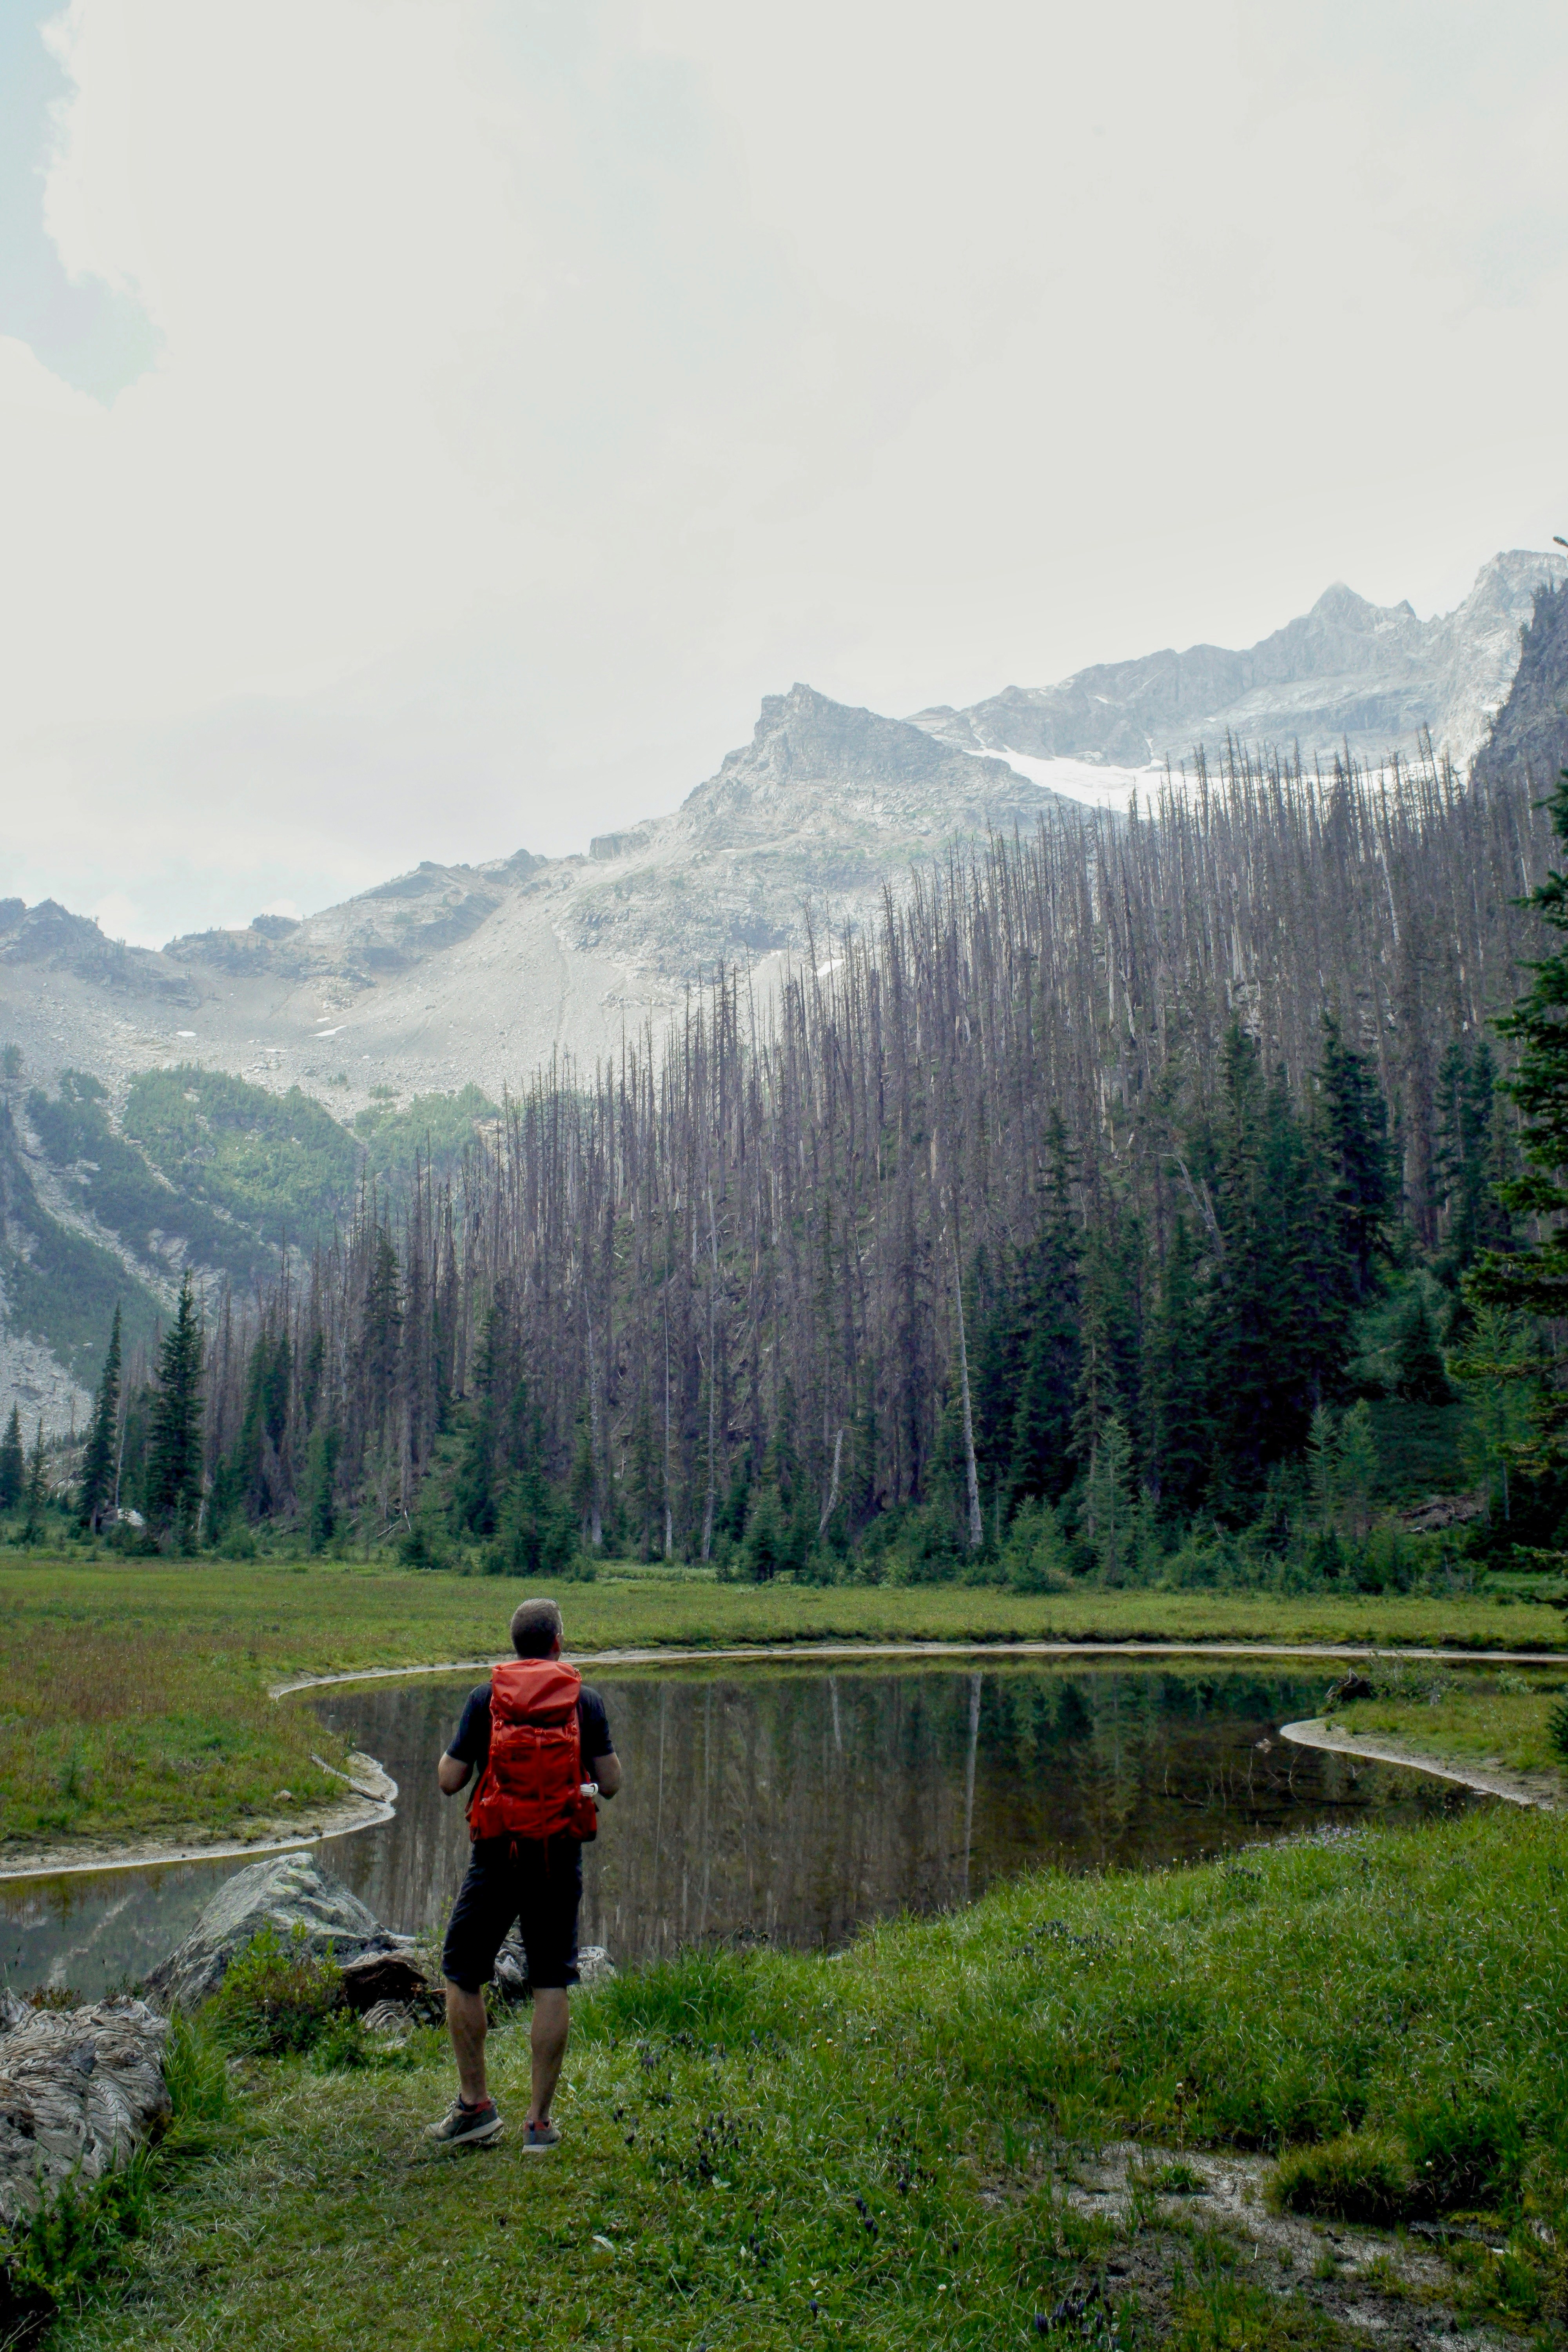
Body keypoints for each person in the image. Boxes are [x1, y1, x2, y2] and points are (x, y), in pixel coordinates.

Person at [426, 1596, 621, 2151]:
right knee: (551, 1980)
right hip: (559, 1855)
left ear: (516, 1645)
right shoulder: (586, 1701)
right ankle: (538, 2123)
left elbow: (448, 1780)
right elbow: (610, 1783)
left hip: (496, 1854)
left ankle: (476, 2107)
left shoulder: (486, 1698)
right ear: (558, 1642)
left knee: (463, 1972)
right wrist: (577, 1778)